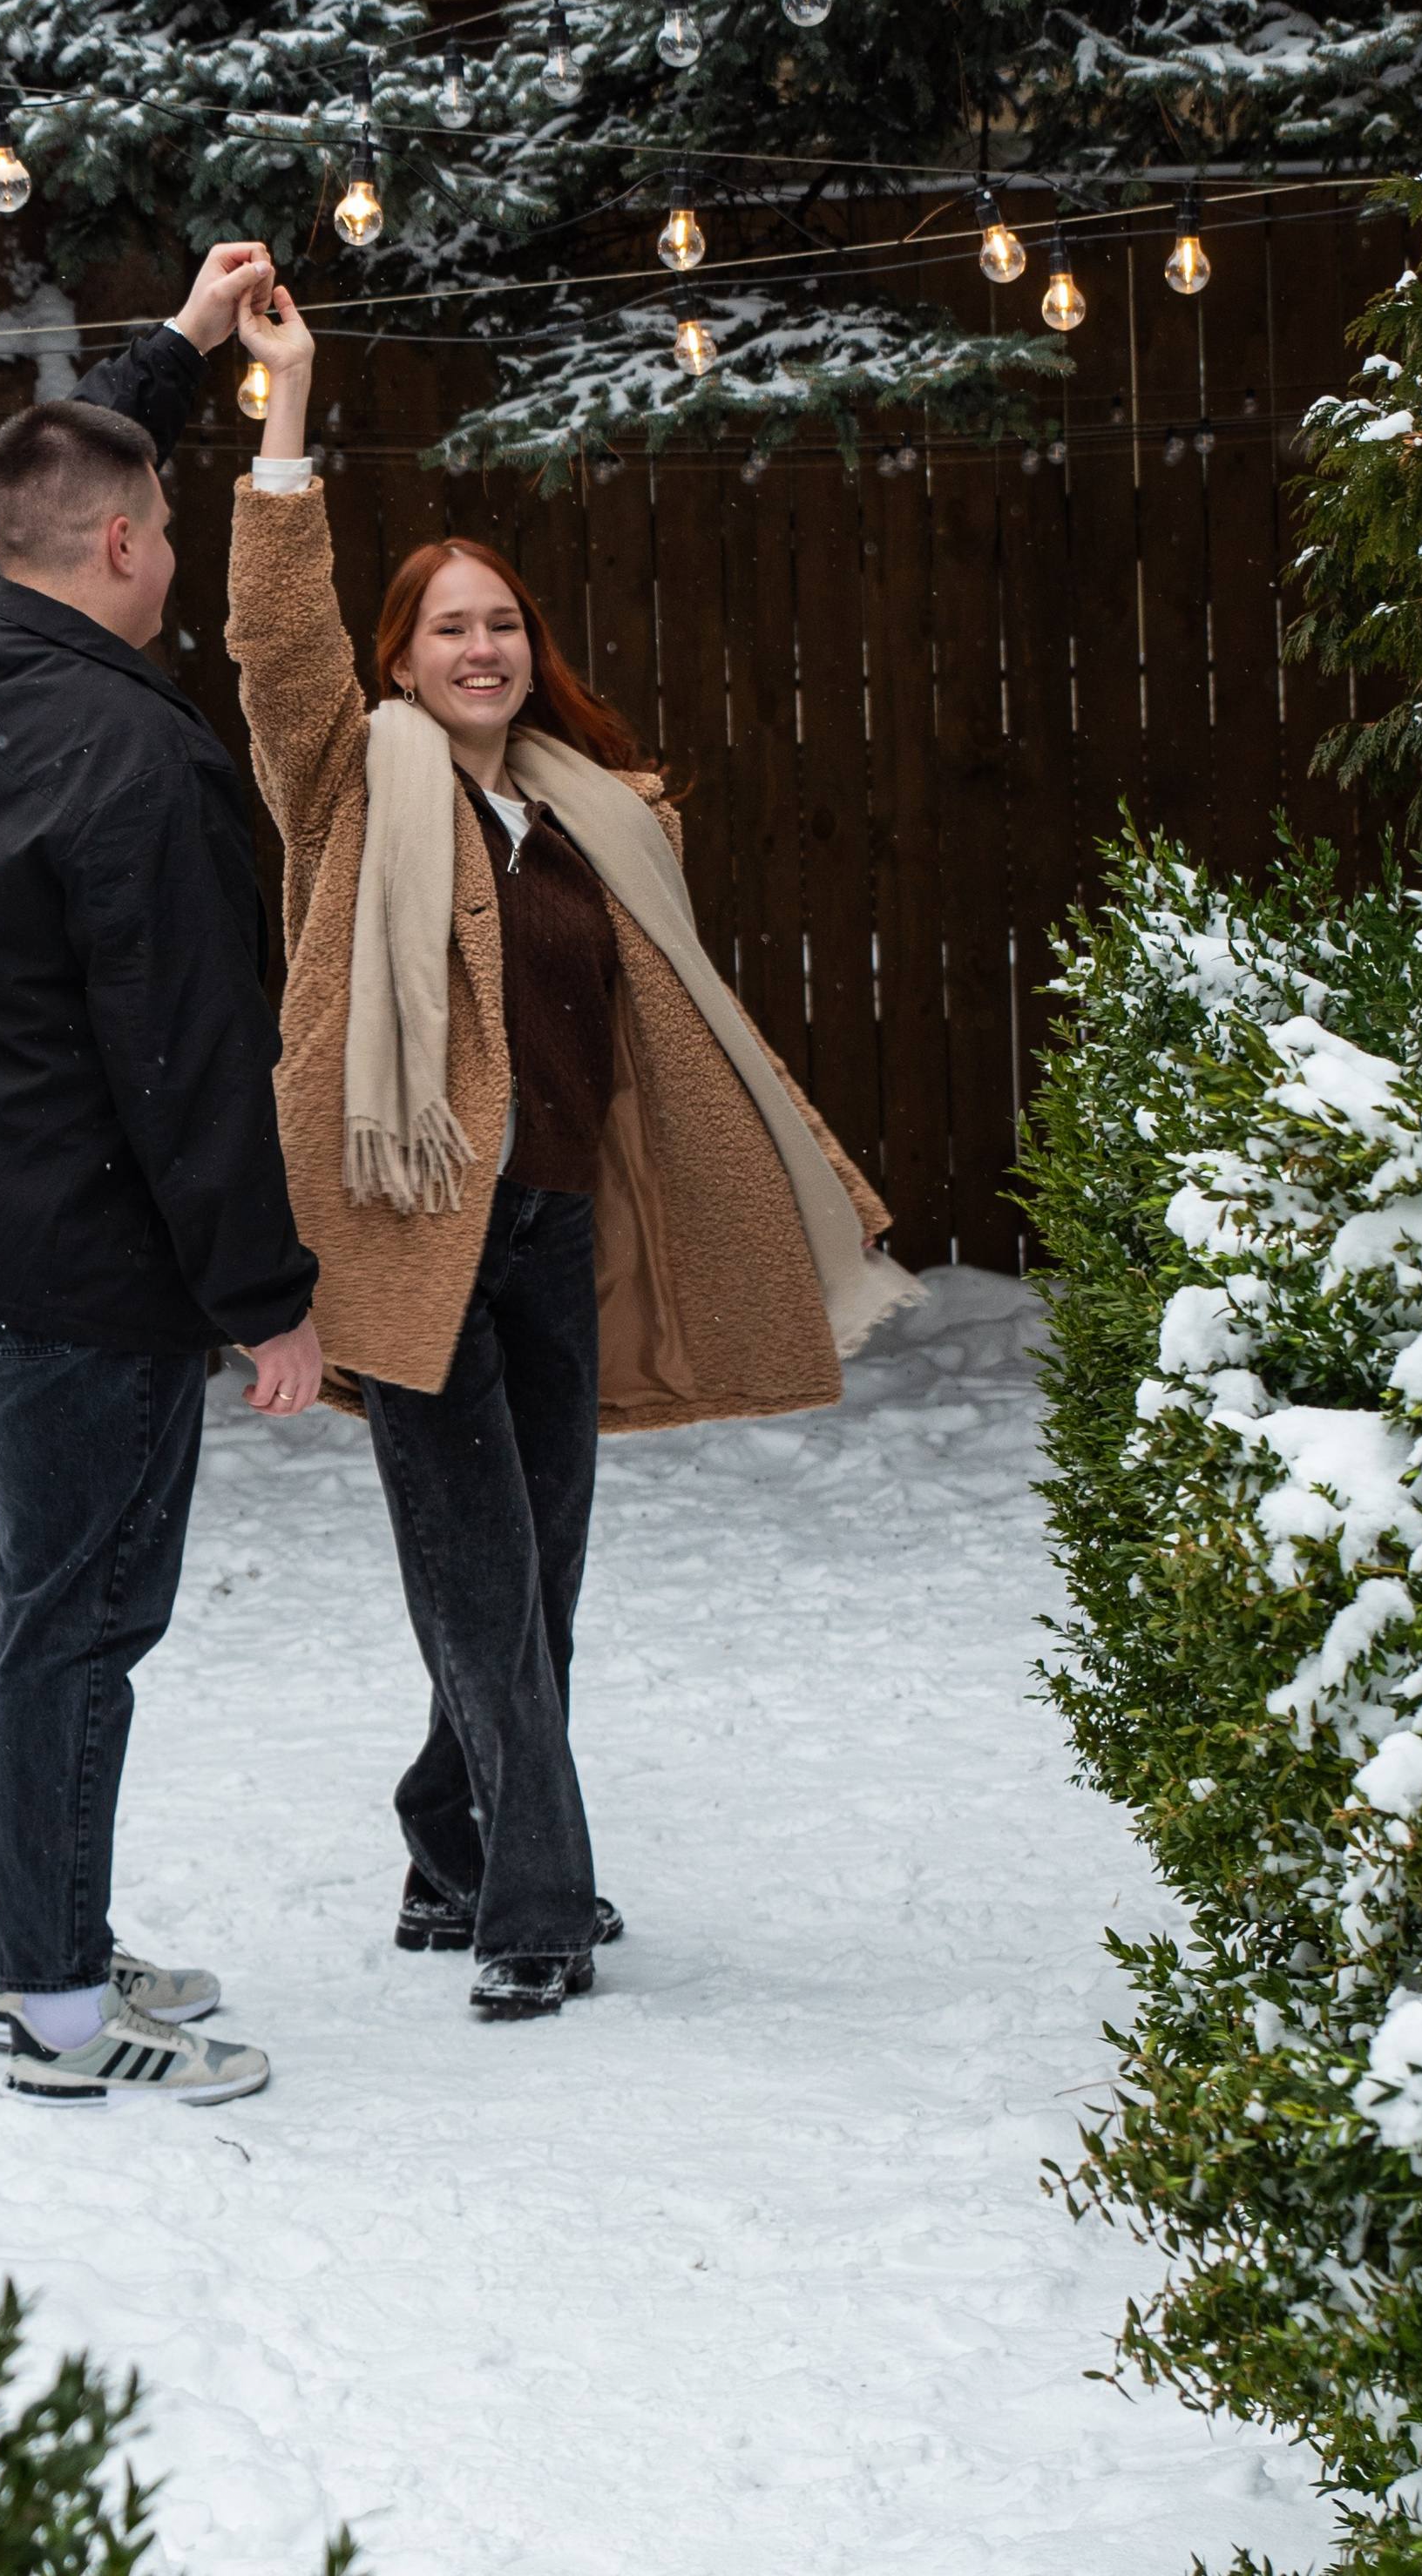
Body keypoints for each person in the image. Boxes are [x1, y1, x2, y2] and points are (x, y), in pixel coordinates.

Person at [226, 281, 918, 2021]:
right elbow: (268, 635)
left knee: (536, 1573)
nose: (478, 650)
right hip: (407, 1239)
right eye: (446, 629)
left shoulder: (586, 816)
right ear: (393, 657)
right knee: (475, 1569)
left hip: (546, 1239)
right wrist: (286, 413)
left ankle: (438, 1832)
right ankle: (533, 1908)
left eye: (500, 627)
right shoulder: (346, 779)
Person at [0, 244, 325, 2109]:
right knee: (72, 1622)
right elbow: (192, 1075)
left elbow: (41, 487)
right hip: (72, 1273)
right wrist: (266, 1298)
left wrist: (181, 350)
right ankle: (52, 2006)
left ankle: (43, 1932)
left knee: (2, 1597)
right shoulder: (142, 758)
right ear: (124, 549)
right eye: (163, 525)